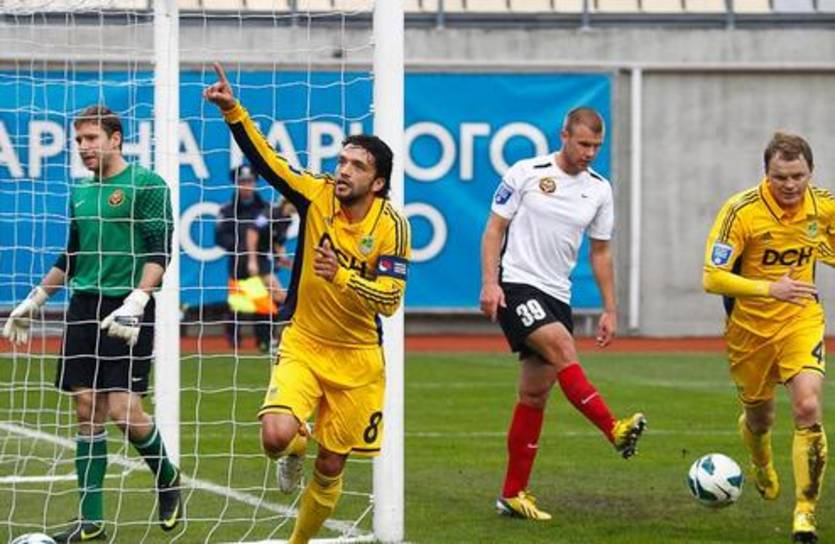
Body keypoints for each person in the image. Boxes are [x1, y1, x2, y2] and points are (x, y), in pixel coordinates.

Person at [204, 62, 410, 544]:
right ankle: (296, 445)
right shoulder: (316, 194)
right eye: (342, 161)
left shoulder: (392, 227)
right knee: (276, 437)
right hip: (304, 341)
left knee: (333, 463)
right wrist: (234, 112)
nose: (344, 170)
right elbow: (269, 162)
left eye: (357, 166)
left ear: (378, 183)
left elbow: (390, 300)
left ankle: (298, 542)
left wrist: (343, 275)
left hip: (358, 357)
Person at [1, 105, 181, 542]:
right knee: (86, 408)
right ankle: (91, 522)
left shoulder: (147, 185)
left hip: (127, 308)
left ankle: (167, 476)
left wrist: (138, 299)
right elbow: (72, 255)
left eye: (91, 139)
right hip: (83, 306)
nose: (83, 147)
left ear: (115, 139)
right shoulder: (80, 192)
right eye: (79, 140)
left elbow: (160, 251)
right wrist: (35, 300)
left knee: (123, 411)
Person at [480, 107, 646, 521]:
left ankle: (512, 494)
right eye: (583, 143)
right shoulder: (526, 172)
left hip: (558, 296)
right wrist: (490, 282)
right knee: (563, 349)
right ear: (564, 136)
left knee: (534, 395)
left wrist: (610, 308)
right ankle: (614, 428)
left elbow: (601, 251)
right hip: (517, 285)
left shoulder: (599, 190)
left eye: (596, 146)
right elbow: (494, 229)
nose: (590, 153)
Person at [703, 132, 832, 543]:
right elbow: (712, 277)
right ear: (766, 174)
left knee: (807, 405)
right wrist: (769, 288)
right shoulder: (740, 211)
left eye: (798, 176)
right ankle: (761, 463)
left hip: (801, 320)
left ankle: (805, 513)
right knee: (760, 420)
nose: (790, 185)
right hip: (749, 332)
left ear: (810, 172)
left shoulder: (824, 206)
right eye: (781, 177)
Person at [215, 163, 284, 352]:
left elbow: (274, 235)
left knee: (263, 302)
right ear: (236, 183)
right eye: (242, 181)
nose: (246, 185)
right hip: (238, 262)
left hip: (260, 262)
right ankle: (233, 340)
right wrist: (240, 247)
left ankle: (264, 340)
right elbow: (220, 236)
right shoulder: (227, 210)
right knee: (238, 305)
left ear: (255, 183)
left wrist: (275, 252)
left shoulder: (265, 208)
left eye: (249, 181)